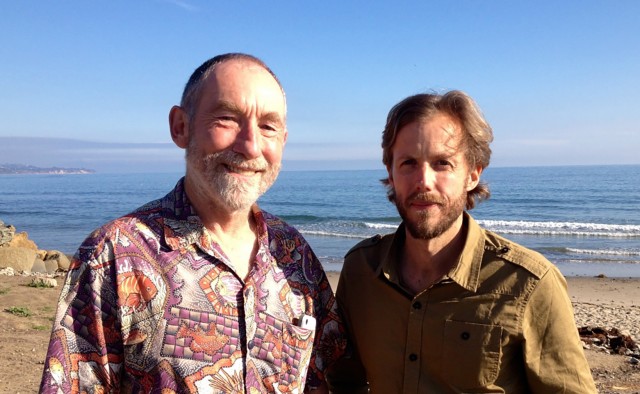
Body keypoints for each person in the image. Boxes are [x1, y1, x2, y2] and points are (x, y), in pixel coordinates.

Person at [40, 53, 342, 393]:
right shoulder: (115, 255)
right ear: (180, 127)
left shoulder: (294, 255)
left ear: (283, 141)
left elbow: (332, 378)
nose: (251, 145)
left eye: (268, 126)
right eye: (227, 119)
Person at [326, 91, 597, 393]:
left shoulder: (529, 284)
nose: (424, 181)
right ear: (390, 173)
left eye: (442, 163)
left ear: (472, 174)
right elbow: (343, 381)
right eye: (408, 163)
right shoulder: (361, 270)